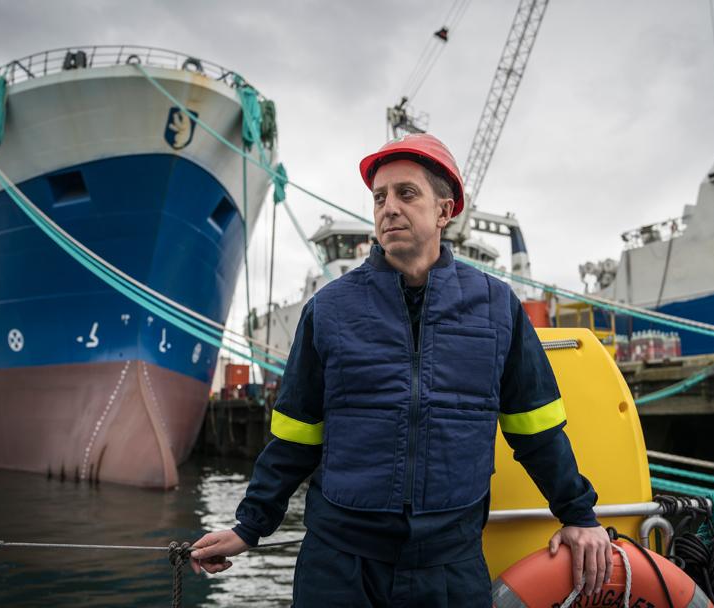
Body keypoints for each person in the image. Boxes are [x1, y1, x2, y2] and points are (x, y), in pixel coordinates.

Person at [190, 133, 611, 606]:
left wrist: (578, 515)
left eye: (406, 194)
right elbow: (295, 435)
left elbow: (537, 427)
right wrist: (251, 526)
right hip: (340, 565)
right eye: (379, 197)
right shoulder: (329, 309)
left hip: (450, 566)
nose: (388, 207)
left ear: (445, 211)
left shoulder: (497, 309)